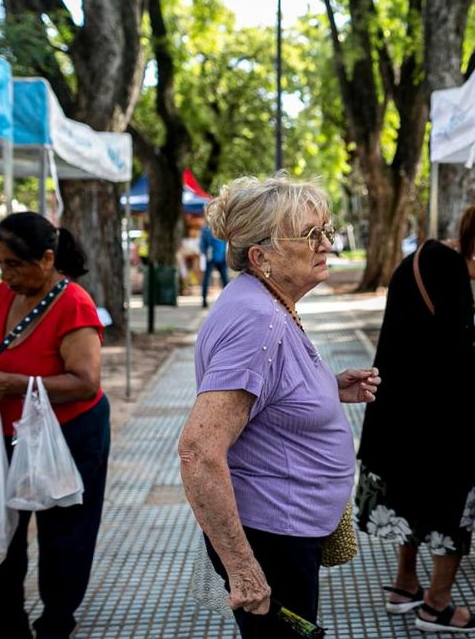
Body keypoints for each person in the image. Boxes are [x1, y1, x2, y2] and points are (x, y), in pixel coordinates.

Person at [178, 175, 379, 638]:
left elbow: (263, 392)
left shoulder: (263, 301)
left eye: (326, 231)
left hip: (281, 532)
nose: (326, 244)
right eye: (310, 235)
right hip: (271, 540)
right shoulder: (257, 320)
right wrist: (243, 569)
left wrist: (326, 388)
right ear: (261, 256)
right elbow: (198, 452)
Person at [355, 205, 475, 633]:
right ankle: (437, 606)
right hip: (437, 418)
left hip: (400, 411)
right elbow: (449, 339)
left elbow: (424, 331)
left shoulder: (423, 257)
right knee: (449, 504)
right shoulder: (451, 270)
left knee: (409, 497)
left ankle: (405, 586)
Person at [0, 212, 109, 639]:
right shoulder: (3, 295)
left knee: (64, 536)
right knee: (1, 531)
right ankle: (7, 623)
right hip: (8, 436)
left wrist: (13, 383)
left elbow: (85, 383)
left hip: (69, 436)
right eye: (0, 264)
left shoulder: (74, 304)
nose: (5, 275)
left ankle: (55, 623)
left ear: (47, 259)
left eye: (13, 264)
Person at [199, 220, 228, 308]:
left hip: (212, 257)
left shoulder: (206, 228)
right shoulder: (222, 227)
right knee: (225, 280)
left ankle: (204, 300)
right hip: (220, 256)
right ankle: (228, 299)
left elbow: (202, 244)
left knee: (207, 279)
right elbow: (226, 242)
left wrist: (205, 252)